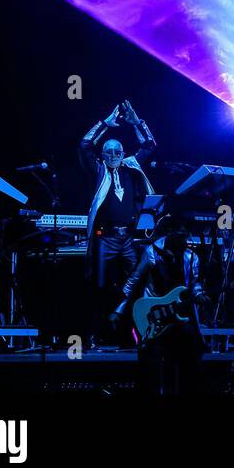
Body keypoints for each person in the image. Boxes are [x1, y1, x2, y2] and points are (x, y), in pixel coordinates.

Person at [79, 100, 156, 345]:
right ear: (103, 155)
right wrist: (105, 124)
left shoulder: (131, 169)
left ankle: (134, 334)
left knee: (136, 283)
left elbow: (149, 145)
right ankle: (95, 334)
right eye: (108, 152)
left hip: (129, 239)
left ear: (123, 154)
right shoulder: (98, 170)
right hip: (106, 238)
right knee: (99, 286)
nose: (113, 155)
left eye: (117, 152)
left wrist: (136, 122)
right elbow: (84, 145)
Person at [113, 214, 208, 394]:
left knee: (193, 352)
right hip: (153, 315)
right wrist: (118, 310)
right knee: (151, 363)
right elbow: (133, 281)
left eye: (185, 237)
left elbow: (194, 284)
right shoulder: (152, 252)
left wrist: (200, 294)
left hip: (178, 316)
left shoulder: (191, 257)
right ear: (170, 234)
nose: (184, 241)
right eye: (180, 236)